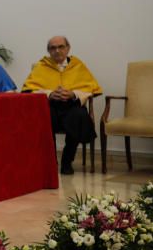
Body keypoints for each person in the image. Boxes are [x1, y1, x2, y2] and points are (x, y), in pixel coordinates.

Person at [22, 36, 102, 175]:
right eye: (53, 48)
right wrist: (49, 94)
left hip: (72, 105)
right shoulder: (41, 66)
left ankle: (67, 160)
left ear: (68, 48)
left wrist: (73, 94)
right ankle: (51, 161)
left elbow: (90, 88)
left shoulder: (78, 65)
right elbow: (29, 89)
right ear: (48, 50)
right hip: (49, 106)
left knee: (79, 117)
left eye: (61, 47)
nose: (57, 51)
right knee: (42, 119)